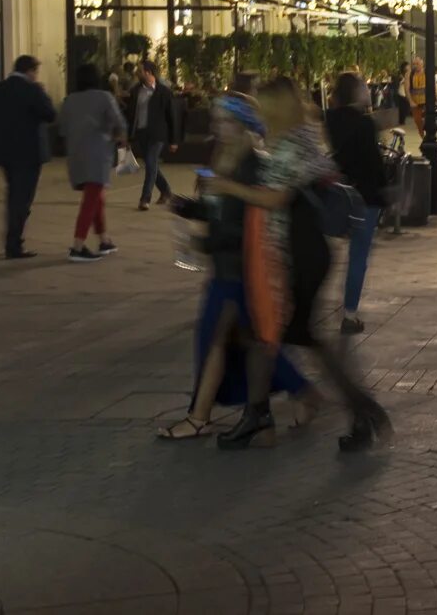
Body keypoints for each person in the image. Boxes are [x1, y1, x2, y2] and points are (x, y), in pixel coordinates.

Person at [206, 78, 391, 451]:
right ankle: (354, 413)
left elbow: (274, 199)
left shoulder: (289, 144)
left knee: (272, 335)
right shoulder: (303, 135)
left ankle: (354, 411)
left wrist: (228, 188)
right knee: (279, 335)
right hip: (305, 249)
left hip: (297, 252)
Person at [158, 95, 314, 442]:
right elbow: (218, 211)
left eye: (225, 121)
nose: (218, 127)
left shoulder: (254, 164)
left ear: (244, 125)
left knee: (221, 339)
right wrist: (187, 208)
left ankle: (201, 417)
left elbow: (250, 223)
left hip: (244, 269)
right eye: (215, 120)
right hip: (226, 267)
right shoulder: (224, 159)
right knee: (243, 341)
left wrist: (207, 243)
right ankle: (300, 392)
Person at [325, 72, 385, 336]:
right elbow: (374, 163)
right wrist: (387, 190)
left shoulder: (330, 120)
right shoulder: (365, 123)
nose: (368, 91)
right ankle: (350, 313)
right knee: (358, 256)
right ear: (355, 92)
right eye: (364, 87)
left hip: (338, 194)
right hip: (365, 197)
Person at [0, 55, 58, 259]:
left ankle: (12, 240)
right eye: (36, 72)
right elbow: (50, 114)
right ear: (30, 71)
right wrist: (42, 94)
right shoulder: (33, 90)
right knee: (22, 199)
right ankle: (13, 243)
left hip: (4, 152)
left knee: (14, 193)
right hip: (29, 153)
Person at [58, 65, 128, 262]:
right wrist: (118, 137)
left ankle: (104, 239)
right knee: (91, 200)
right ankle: (77, 246)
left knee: (96, 197)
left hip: (76, 155)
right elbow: (120, 123)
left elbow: (62, 129)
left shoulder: (69, 100)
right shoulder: (104, 97)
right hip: (98, 155)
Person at [127, 60, 179, 211]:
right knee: (152, 165)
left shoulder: (164, 92)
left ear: (149, 72)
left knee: (150, 162)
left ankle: (145, 198)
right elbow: (130, 113)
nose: (138, 73)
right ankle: (166, 191)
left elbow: (172, 117)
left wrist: (173, 140)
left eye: (140, 70)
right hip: (141, 133)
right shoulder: (136, 91)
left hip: (157, 134)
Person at [408, 58, 429, 136]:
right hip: (415, 102)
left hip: (426, 101)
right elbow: (408, 88)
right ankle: (422, 135)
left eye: (417, 64)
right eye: (414, 64)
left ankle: (427, 135)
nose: (416, 66)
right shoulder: (411, 74)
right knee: (418, 121)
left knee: (427, 120)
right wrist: (411, 101)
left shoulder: (427, 73)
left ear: (422, 64)